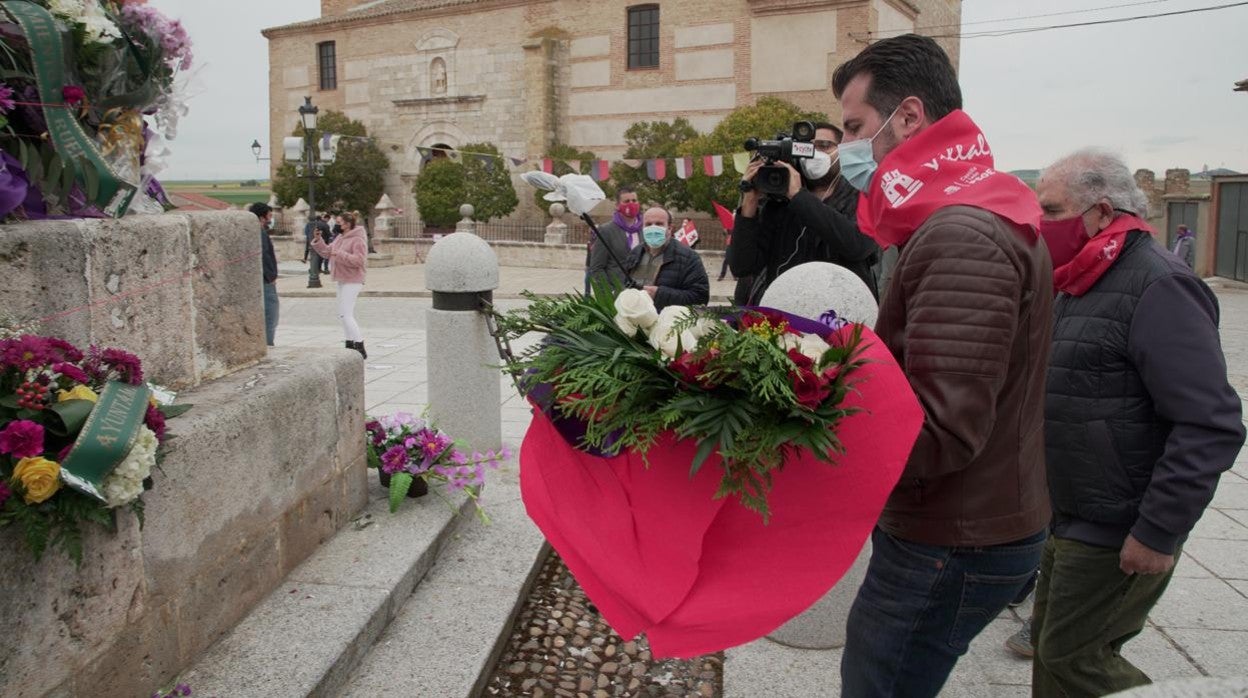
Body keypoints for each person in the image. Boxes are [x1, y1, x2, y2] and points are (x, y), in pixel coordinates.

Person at [831, 34, 1053, 697]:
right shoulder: (974, 209)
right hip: (963, 520)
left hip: (951, 535)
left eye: (853, 127)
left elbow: (943, 427)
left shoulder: (961, 233)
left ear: (908, 117)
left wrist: (812, 435)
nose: (844, 149)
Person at [1030, 149, 1244, 697]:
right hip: (1072, 512)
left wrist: (1157, 530)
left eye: (1051, 211)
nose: (1040, 225)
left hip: (1118, 523)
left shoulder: (1158, 284)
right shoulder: (1082, 275)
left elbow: (1210, 421)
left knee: (1075, 658)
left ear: (1099, 212)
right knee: (1052, 654)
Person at [728, 121, 881, 303]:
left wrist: (799, 196)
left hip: (842, 311)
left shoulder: (862, 193)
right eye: (807, 147)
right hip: (784, 312)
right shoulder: (778, 201)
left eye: (824, 146)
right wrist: (750, 201)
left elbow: (858, 246)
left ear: (842, 152)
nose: (815, 153)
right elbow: (742, 266)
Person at [624, 206, 709, 310]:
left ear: (669, 228)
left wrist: (660, 294)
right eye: (648, 224)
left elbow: (700, 298)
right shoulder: (635, 253)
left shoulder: (688, 257)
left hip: (666, 323)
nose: (653, 228)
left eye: (659, 224)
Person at [311, 210, 369, 358]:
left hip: (353, 279)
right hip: (341, 279)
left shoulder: (358, 239)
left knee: (347, 314)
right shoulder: (340, 238)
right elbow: (327, 252)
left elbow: (359, 261)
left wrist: (340, 255)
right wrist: (319, 240)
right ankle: (349, 343)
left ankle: (360, 345)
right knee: (342, 314)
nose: (336, 225)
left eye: (339, 223)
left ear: (347, 224)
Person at [587, 187, 642, 291]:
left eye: (634, 200)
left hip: (641, 292)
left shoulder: (645, 229)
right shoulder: (606, 231)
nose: (631, 204)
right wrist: (609, 291)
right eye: (626, 201)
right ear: (617, 206)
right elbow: (597, 267)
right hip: (617, 291)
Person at [251, 202, 280, 347]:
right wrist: (271, 276)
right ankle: (268, 345)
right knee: (271, 314)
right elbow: (264, 255)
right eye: (269, 215)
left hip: (262, 278)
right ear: (262, 217)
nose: (270, 219)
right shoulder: (260, 232)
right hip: (266, 280)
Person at [304, 213, 331, 288]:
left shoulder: (309, 224)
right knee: (323, 256)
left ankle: (314, 268)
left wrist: (309, 237)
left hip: (311, 240)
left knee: (313, 254)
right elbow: (329, 234)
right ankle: (323, 269)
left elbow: (305, 232)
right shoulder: (325, 225)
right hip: (323, 242)